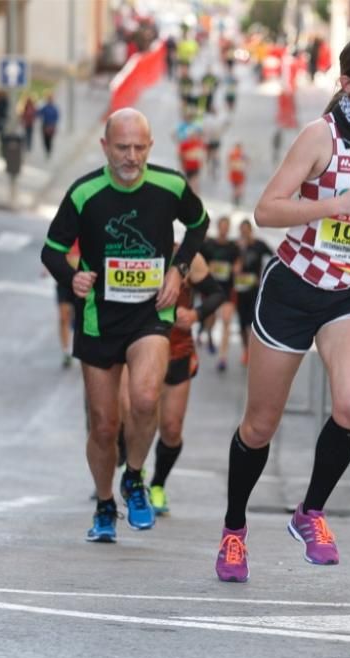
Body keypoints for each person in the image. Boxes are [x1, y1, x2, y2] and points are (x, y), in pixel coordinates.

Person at [214, 35, 350, 583]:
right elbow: (265, 209)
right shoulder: (317, 137)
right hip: (294, 290)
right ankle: (234, 531)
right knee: (260, 425)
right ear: (347, 81)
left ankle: (310, 513)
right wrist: (329, 205)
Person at [40, 108, 209, 544]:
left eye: (139, 147)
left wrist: (178, 270)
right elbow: (52, 251)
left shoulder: (170, 185)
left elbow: (198, 224)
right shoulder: (85, 194)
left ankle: (134, 477)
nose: (131, 157)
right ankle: (103, 503)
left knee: (146, 397)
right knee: (102, 423)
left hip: (149, 314)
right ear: (105, 147)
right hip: (99, 320)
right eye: (122, 148)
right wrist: (71, 276)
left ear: (150, 147)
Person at [149, 245, 226, 515]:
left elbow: (217, 294)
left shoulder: (186, 255)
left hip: (177, 350)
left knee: (171, 427)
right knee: (130, 414)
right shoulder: (128, 246)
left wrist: (195, 315)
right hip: (133, 346)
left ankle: (157, 484)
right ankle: (130, 470)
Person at [198, 216, 240, 371]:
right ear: (218, 227)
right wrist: (208, 268)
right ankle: (209, 334)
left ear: (228, 228)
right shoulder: (208, 245)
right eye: (221, 226)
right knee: (210, 318)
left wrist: (236, 268)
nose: (223, 229)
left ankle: (223, 358)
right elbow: (199, 261)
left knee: (227, 320)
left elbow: (238, 263)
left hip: (227, 289)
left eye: (226, 226)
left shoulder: (233, 247)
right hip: (211, 288)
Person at [234, 219, 272, 367]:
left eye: (246, 230)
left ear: (251, 231)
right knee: (242, 324)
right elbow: (230, 264)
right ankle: (245, 348)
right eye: (241, 231)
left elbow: (273, 256)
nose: (244, 233)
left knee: (252, 322)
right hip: (240, 290)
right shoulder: (237, 247)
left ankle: (251, 352)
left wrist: (262, 277)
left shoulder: (259, 245)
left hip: (254, 290)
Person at [55, 240, 81, 368]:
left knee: (81, 318)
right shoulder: (66, 224)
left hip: (83, 280)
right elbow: (53, 247)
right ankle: (66, 352)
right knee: (63, 316)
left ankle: (81, 350)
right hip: (65, 279)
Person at [37, 94, 60, 158]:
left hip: (51, 126)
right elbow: (39, 113)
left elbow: (57, 117)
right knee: (45, 139)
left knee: (50, 139)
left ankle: (49, 151)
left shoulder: (54, 108)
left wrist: (53, 124)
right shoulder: (45, 107)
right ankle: (47, 150)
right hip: (45, 125)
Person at [227, 142, 247, 207]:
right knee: (238, 188)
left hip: (234, 174)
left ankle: (235, 201)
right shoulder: (241, 155)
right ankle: (236, 201)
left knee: (235, 188)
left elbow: (229, 164)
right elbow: (245, 164)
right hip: (238, 174)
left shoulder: (233, 154)